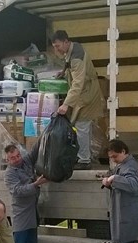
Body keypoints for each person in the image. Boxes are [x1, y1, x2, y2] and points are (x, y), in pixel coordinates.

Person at [51, 30, 105, 170]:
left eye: (58, 46)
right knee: (83, 126)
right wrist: (63, 73)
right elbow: (68, 63)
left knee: (81, 125)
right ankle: (86, 155)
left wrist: (66, 105)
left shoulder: (77, 57)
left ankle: (84, 160)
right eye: (54, 46)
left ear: (66, 42)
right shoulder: (73, 48)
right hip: (84, 91)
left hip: (87, 93)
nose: (56, 49)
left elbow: (77, 84)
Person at [4, 144, 48, 243]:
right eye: (13, 158)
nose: (17, 159)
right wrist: (36, 184)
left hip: (32, 210)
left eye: (18, 156)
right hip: (21, 213)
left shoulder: (26, 162)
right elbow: (18, 191)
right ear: (7, 160)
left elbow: (35, 150)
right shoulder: (10, 173)